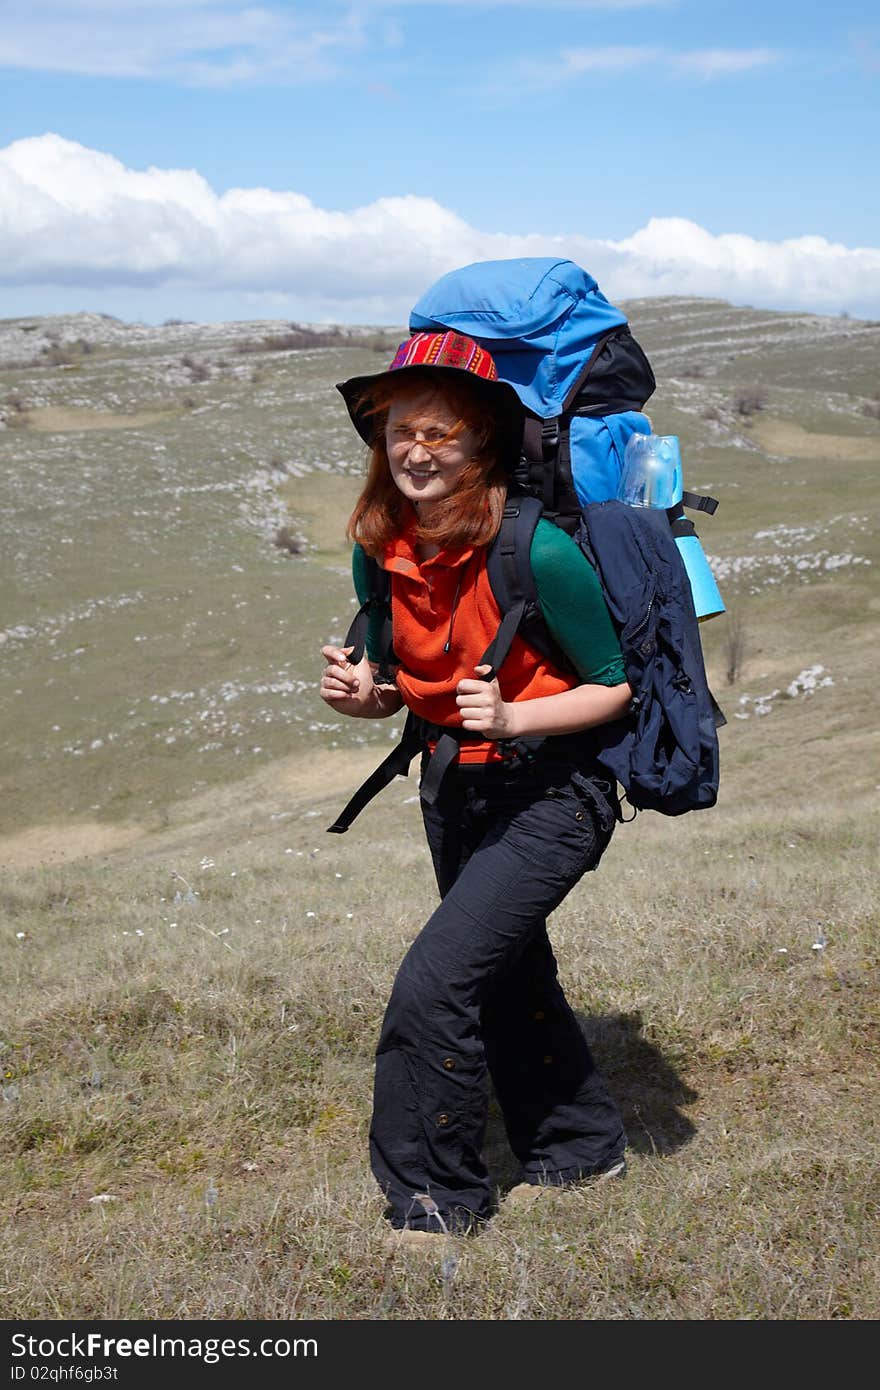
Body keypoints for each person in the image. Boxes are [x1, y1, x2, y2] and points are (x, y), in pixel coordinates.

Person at [320, 330, 632, 1247]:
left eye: (439, 433)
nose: (415, 451)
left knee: (435, 983)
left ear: (483, 443)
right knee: (504, 971)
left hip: (554, 794)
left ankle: (434, 1204)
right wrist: (361, 698)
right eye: (398, 432)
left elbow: (614, 683)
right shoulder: (378, 550)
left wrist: (514, 720)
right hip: (452, 788)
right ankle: (580, 1146)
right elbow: (394, 685)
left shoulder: (536, 552)